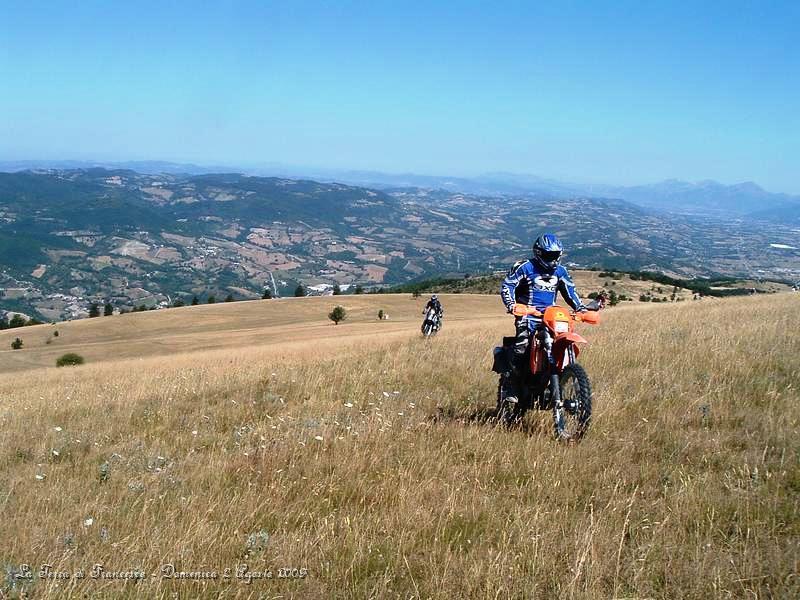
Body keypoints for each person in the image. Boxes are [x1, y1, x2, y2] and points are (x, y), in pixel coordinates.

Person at [500, 233, 598, 402]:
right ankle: (511, 385)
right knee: (521, 346)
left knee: (563, 344)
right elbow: (508, 286)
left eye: (556, 255)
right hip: (528, 316)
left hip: (551, 317)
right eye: (549, 255)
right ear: (538, 253)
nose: (553, 259)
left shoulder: (561, 272)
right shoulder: (524, 267)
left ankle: (561, 379)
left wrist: (581, 309)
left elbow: (571, 293)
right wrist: (513, 306)